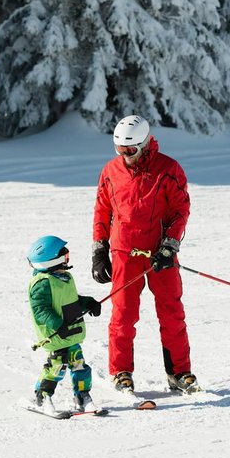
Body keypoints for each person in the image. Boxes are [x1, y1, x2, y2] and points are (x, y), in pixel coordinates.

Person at [92, 115, 200, 395]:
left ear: (145, 143)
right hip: (125, 252)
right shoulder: (110, 171)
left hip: (159, 253)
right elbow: (102, 211)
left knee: (172, 312)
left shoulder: (168, 169)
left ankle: (179, 372)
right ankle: (121, 372)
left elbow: (180, 210)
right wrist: (99, 250)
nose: (125, 156)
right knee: (123, 315)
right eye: (120, 150)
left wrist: (170, 245)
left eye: (130, 150)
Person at [27, 235, 102, 414]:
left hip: (70, 332)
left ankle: (82, 396)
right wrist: (57, 324)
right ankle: (42, 396)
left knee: (79, 366)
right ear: (52, 261)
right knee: (56, 367)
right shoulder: (42, 283)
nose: (67, 260)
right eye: (65, 257)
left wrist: (88, 302)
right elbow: (40, 309)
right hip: (57, 334)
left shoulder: (64, 277)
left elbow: (71, 300)